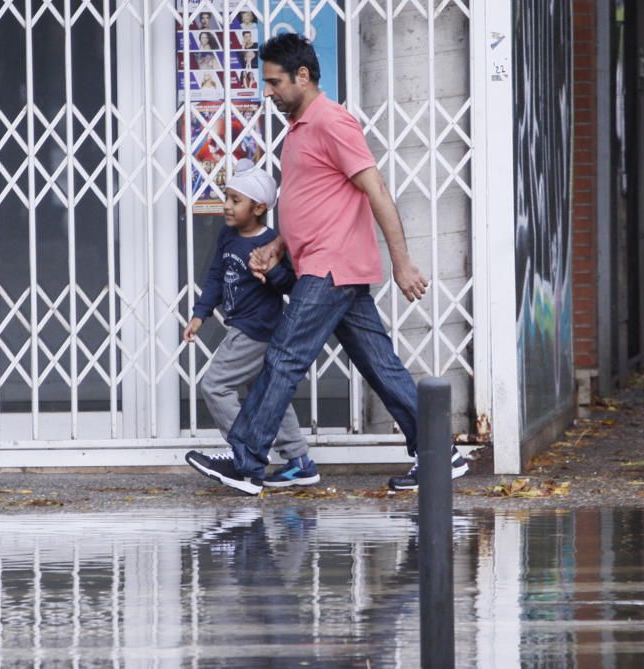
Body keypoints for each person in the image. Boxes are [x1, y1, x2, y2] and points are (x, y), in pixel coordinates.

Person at [185, 33, 468, 495]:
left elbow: (375, 190)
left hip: (330, 268)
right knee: (380, 365)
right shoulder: (297, 130)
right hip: (328, 265)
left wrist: (401, 262)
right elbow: (313, 203)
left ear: (302, 76)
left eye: (275, 82)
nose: (268, 92)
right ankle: (440, 453)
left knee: (281, 359)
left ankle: (248, 462)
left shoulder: (333, 123)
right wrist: (278, 246)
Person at [184, 160, 320, 488]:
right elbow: (216, 275)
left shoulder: (272, 241)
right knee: (269, 393)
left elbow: (290, 284)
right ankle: (300, 461)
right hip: (245, 327)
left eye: (235, 200)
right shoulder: (228, 237)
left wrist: (270, 271)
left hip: (256, 330)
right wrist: (200, 313)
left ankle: (244, 454)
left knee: (215, 386)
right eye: (227, 197)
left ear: (258, 207)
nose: (226, 206)